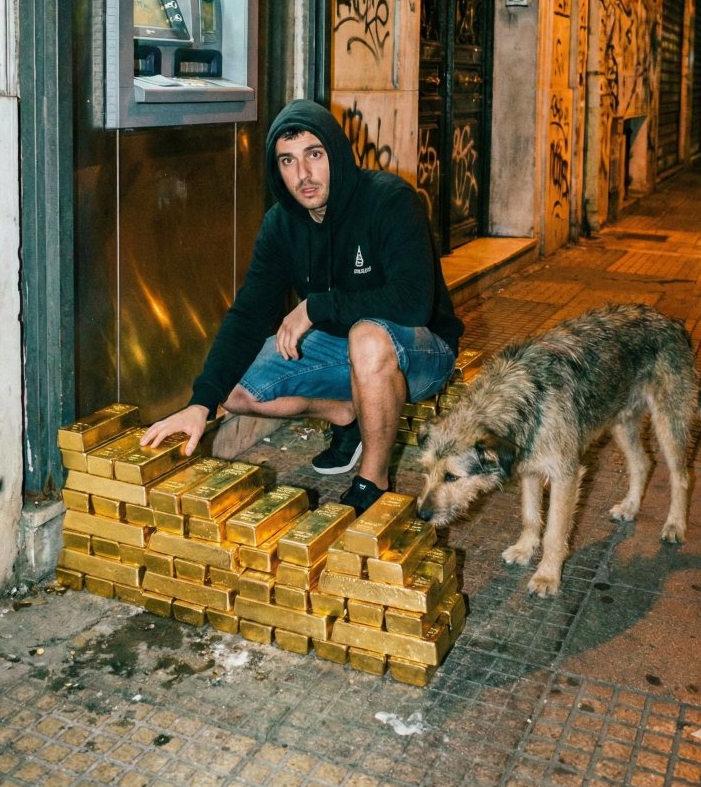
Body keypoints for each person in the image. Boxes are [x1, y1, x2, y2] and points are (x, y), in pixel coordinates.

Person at [141, 99, 463, 513]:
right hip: (343, 348)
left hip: (421, 350)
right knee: (238, 392)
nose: (303, 175)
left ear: (337, 154)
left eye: (315, 155)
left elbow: (415, 302)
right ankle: (348, 412)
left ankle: (373, 480)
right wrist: (200, 403)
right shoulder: (281, 225)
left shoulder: (389, 199)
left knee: (367, 336)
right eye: (287, 161)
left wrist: (315, 308)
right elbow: (248, 315)